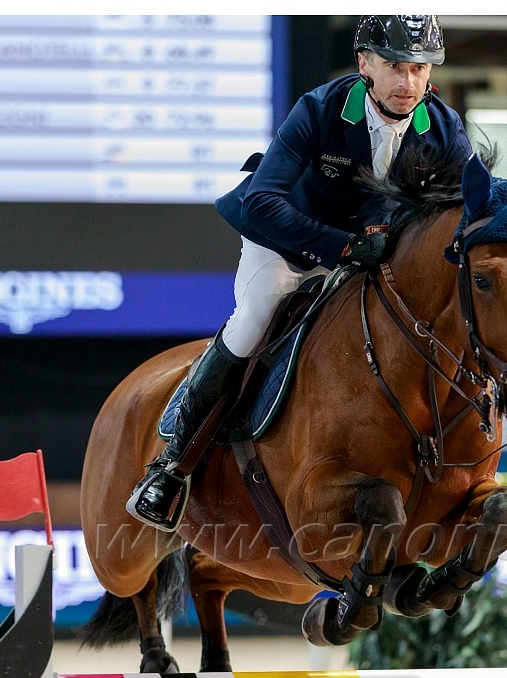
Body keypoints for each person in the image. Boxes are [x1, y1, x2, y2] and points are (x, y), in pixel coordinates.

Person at [127, 15, 474, 530]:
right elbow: (264, 200)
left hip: (369, 257)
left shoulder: (443, 130)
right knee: (258, 312)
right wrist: (343, 245)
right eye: (395, 67)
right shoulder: (320, 108)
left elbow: (467, 208)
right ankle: (172, 464)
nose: (408, 83)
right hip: (287, 244)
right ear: (365, 65)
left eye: (419, 69)